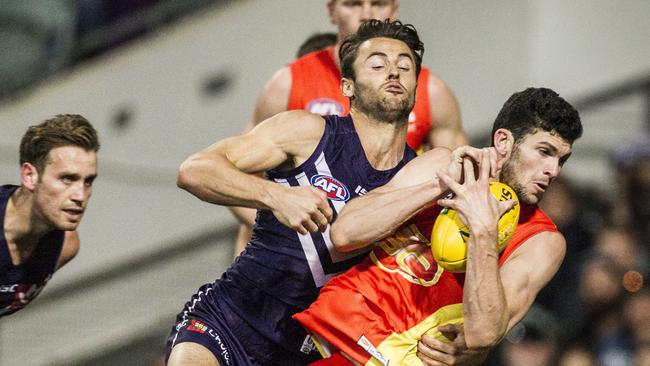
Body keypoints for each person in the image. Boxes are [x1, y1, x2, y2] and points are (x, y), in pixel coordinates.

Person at [166, 19, 430, 365]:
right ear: (347, 86)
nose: (393, 72)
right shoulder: (307, 133)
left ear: (415, 87)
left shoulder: (417, 177)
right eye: (378, 65)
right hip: (228, 321)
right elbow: (194, 170)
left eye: (404, 66)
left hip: (310, 354)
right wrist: (277, 196)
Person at [293, 87, 584, 365]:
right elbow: (345, 233)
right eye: (545, 152)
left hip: (391, 357)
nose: (554, 170)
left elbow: (483, 334)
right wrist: (438, 186)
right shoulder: (443, 163)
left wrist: (483, 231)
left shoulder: (542, 241)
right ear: (504, 141)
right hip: (326, 335)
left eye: (562, 160)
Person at [230, 0, 468, 257]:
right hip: (293, 252)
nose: (366, 13)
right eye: (353, 4)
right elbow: (235, 173)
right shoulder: (288, 83)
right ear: (332, 11)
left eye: (377, 3)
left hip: (384, 254)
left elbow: (460, 184)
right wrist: (287, 229)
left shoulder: (431, 92)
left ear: (394, 9)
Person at [0, 114, 99, 317]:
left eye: (88, 181)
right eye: (67, 179)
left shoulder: (66, 244)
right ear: (30, 176)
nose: (80, 196)